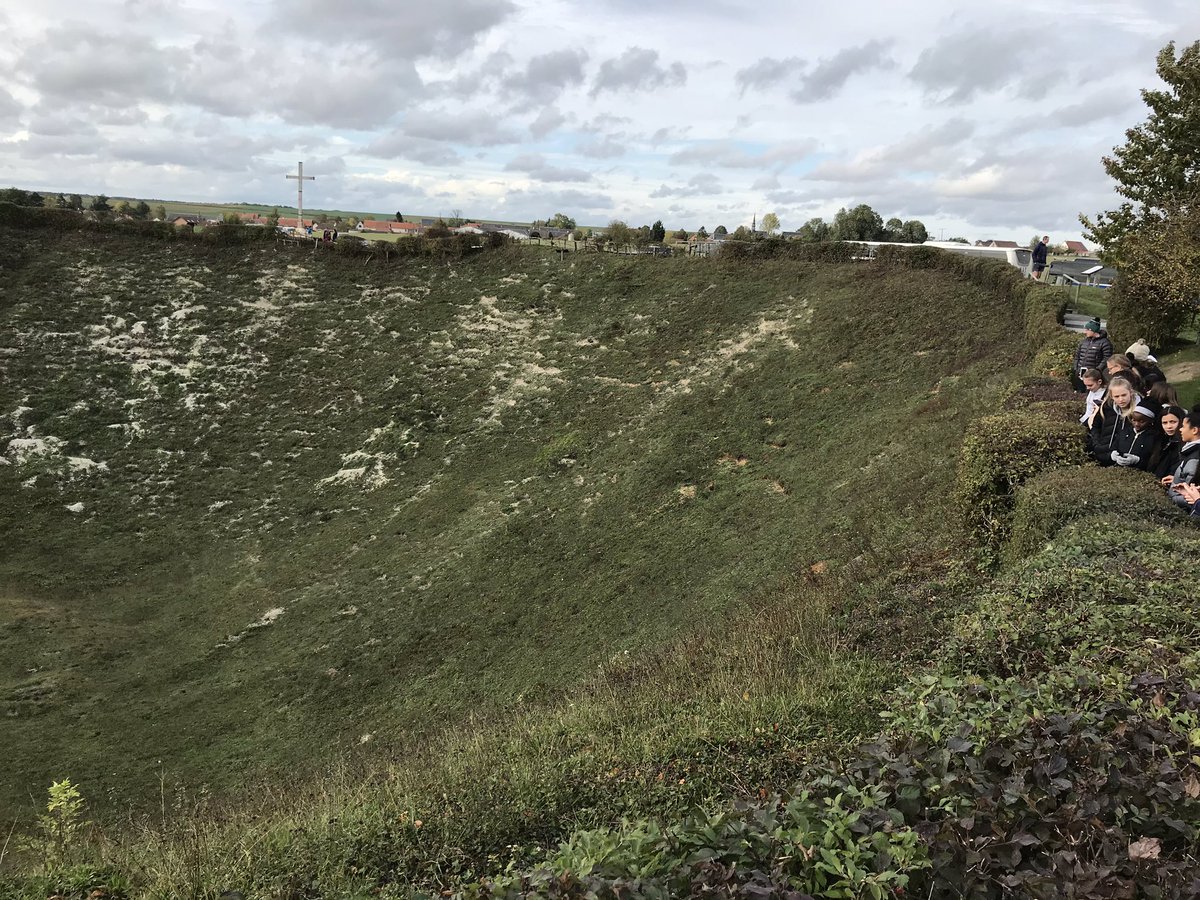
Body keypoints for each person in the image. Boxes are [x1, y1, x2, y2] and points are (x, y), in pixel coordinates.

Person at [1088, 376, 1139, 465]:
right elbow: (1095, 427)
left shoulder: (1139, 411)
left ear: (1130, 392)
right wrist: (1098, 445)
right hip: (1103, 454)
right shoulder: (1106, 407)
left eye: (1124, 395)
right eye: (1117, 396)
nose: (1121, 399)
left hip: (1125, 458)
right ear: (1112, 396)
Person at [1163, 406, 1200, 508]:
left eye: (1183, 426)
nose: (1180, 429)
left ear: (1194, 430)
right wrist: (1176, 479)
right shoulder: (1190, 452)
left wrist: (1171, 499)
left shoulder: (1195, 459)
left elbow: (1190, 496)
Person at [1111, 400, 1161, 472]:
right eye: (1134, 420)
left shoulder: (1154, 438)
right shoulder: (1124, 432)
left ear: (1151, 421)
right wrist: (1113, 455)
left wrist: (1137, 461)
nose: (1136, 424)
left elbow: (1153, 462)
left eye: (1141, 421)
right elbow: (1114, 447)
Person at [1073, 319, 1113, 391]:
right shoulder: (1084, 341)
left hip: (1094, 374)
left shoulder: (1105, 343)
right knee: (1080, 391)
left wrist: (1097, 369)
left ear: (1093, 330)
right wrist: (1076, 368)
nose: (1085, 332)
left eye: (1087, 330)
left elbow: (1107, 358)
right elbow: (1077, 356)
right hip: (1080, 372)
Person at [1154, 404, 1186, 480]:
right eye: (1164, 423)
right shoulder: (1160, 441)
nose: (1169, 426)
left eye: (1173, 422)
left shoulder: (1184, 445)